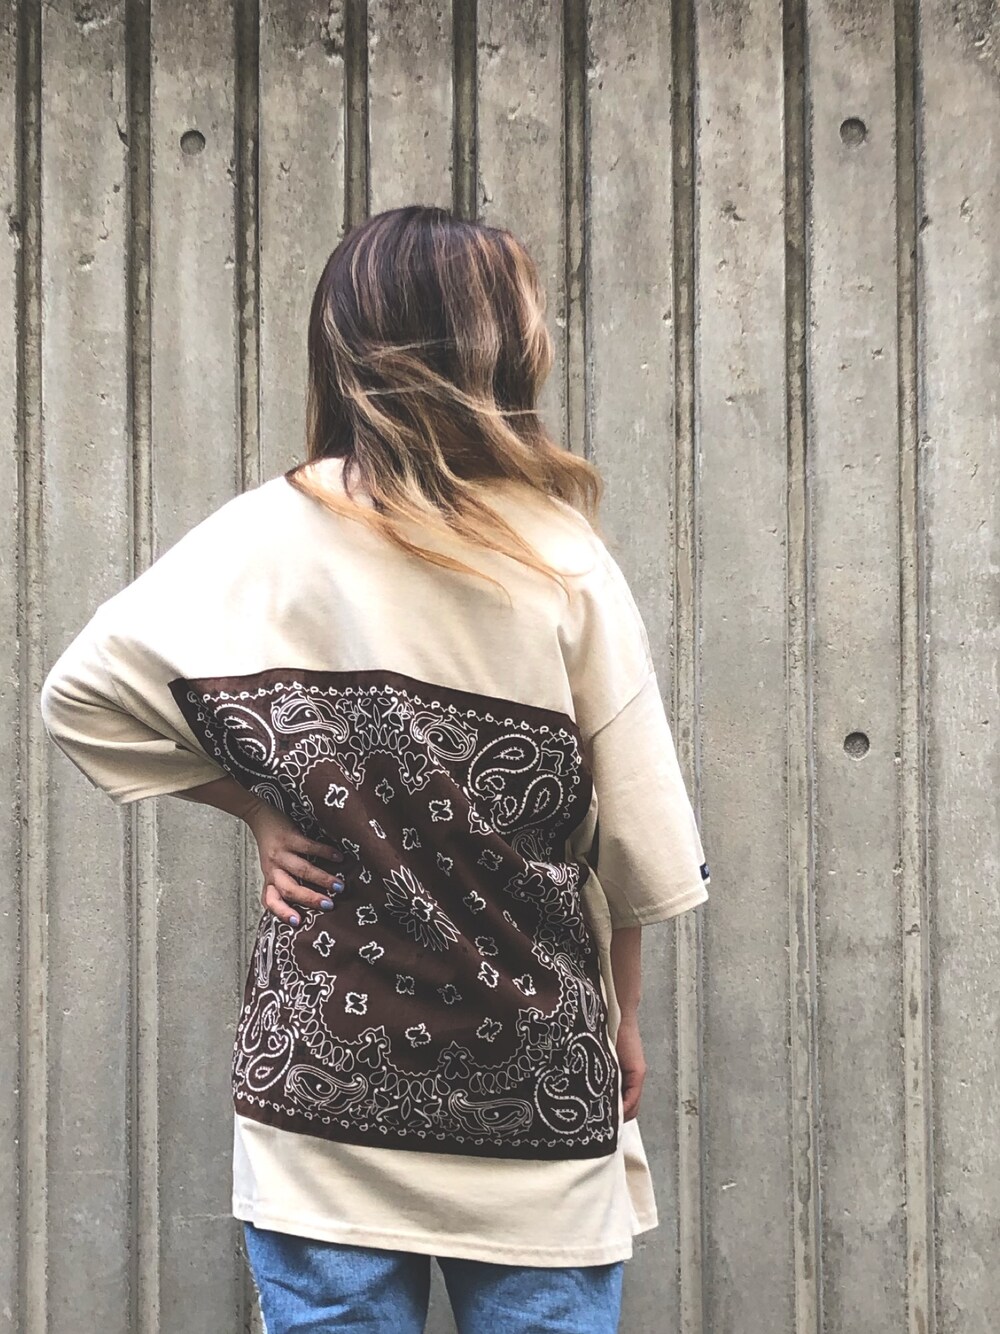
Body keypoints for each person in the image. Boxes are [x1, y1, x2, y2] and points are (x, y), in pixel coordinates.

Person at [39, 204, 710, 1334]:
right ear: (493, 346)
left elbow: (82, 693)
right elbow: (630, 832)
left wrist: (251, 805)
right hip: (531, 1083)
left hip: (321, 1093)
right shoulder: (559, 555)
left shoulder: (262, 533)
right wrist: (624, 1014)